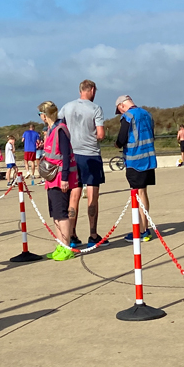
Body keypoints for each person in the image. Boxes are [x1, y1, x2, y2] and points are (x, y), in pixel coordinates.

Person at [59, 80, 106, 248]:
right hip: (90, 155)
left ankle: (72, 234)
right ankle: (93, 234)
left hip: (72, 155)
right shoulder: (95, 109)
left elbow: (59, 128)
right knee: (92, 196)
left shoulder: (66, 107)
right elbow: (100, 134)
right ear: (92, 90)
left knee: (74, 196)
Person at [37, 100, 79, 261]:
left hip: (60, 177)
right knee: (55, 213)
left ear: (45, 115)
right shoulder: (50, 130)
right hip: (51, 177)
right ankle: (60, 244)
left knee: (62, 214)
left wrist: (65, 177)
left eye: (41, 113)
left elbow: (66, 156)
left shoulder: (60, 130)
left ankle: (67, 246)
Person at [115, 95, 157, 240]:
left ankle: (141, 230)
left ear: (121, 106)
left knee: (136, 195)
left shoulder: (127, 116)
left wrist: (117, 144)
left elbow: (122, 138)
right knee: (143, 193)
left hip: (134, 161)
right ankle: (145, 227)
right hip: (148, 159)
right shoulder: (147, 114)